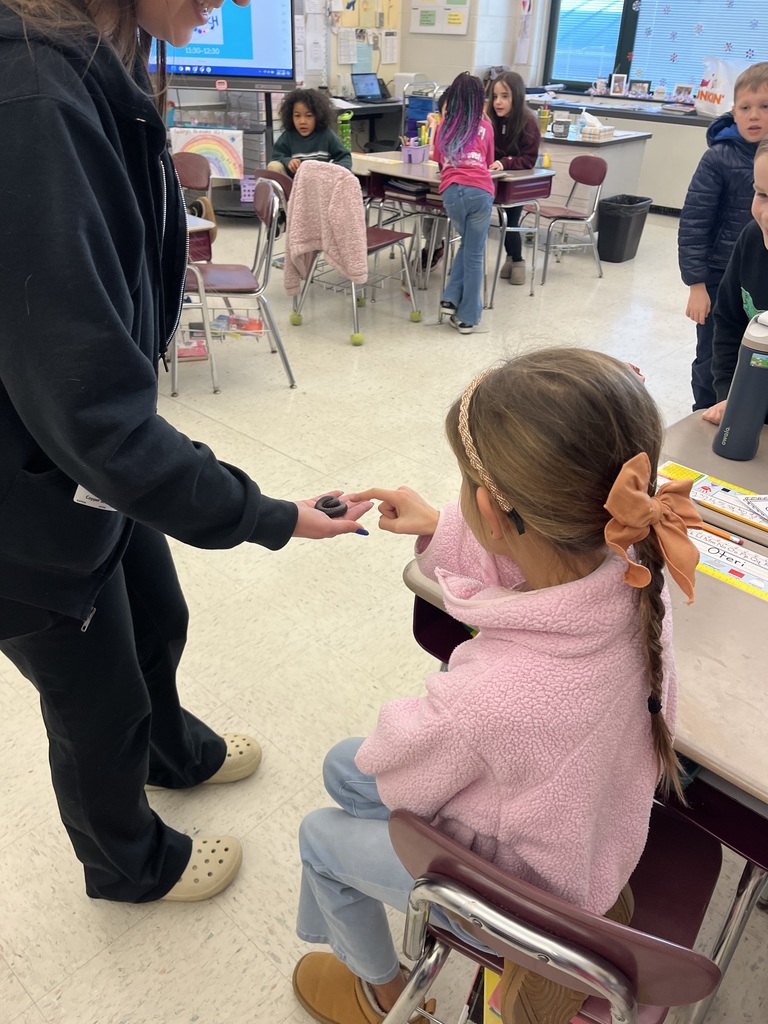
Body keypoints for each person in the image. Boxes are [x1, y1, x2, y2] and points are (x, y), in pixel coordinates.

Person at [0, 0, 372, 906]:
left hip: (82, 468)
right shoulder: (33, 99)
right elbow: (97, 421)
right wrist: (271, 516)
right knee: (95, 703)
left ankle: (174, 752)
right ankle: (129, 864)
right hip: (28, 496)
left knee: (157, 619)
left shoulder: (101, 62)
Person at [290, 349, 703, 1024]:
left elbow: (400, 773)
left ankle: (380, 992)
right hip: (591, 835)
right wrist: (441, 526)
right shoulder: (636, 564)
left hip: (521, 899)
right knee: (342, 767)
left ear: (490, 510)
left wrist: (435, 710)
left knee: (321, 832)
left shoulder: (491, 700)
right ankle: (357, 950)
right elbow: (545, 562)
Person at [678, 62, 768, 411]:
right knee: (713, 356)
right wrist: (696, 285)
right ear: (733, 111)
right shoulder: (718, 157)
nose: (754, 115)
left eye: (765, 106)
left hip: (758, 278)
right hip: (719, 279)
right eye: (745, 107)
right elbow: (694, 222)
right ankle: (705, 411)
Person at [704, 137, 768, 425]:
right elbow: (729, 323)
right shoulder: (752, 238)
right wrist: (730, 395)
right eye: (762, 194)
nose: (765, 216)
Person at [433, 72, 495, 335]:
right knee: (474, 253)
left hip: (450, 193)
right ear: (480, 101)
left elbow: (439, 161)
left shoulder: (443, 126)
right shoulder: (486, 127)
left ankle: (450, 298)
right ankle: (467, 318)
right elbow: (488, 161)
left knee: (469, 245)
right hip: (480, 191)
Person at [487, 71, 540, 285]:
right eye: (495, 96)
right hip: (494, 179)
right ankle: (511, 258)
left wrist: (505, 162)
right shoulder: (490, 119)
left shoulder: (528, 121)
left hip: (516, 183)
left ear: (516, 97)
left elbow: (529, 159)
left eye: (505, 96)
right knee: (504, 221)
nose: (498, 102)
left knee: (510, 220)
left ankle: (517, 261)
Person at [267, 88, 352, 178]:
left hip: (321, 183)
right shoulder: (287, 136)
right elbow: (276, 158)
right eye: (297, 116)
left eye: (309, 115)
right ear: (290, 116)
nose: (302, 121)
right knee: (273, 166)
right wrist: (288, 161)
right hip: (295, 184)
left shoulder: (327, 135)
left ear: (318, 116)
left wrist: (332, 171)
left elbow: (344, 157)